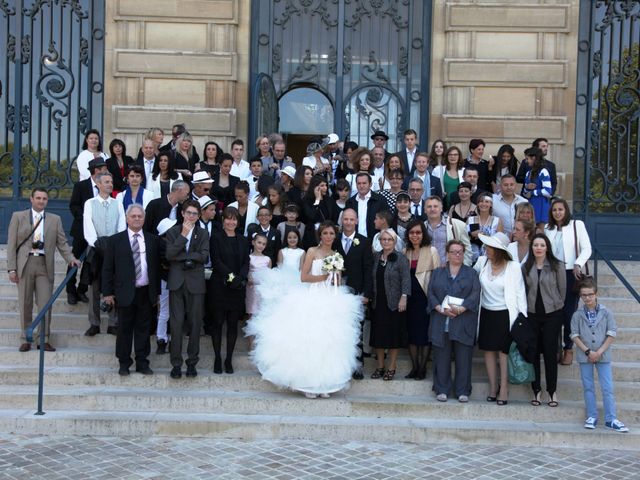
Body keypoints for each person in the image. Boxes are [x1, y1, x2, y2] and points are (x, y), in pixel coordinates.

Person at [247, 221, 362, 398]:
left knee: (328, 342)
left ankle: (324, 384)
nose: (329, 237)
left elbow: (337, 278)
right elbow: (304, 276)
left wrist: (334, 277)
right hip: (312, 295)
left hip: (330, 297)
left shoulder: (335, 255)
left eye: (332, 234)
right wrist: (323, 277)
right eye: (325, 233)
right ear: (320, 235)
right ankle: (308, 383)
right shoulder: (312, 251)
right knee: (311, 340)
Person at [7, 188, 80, 352]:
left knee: (45, 303)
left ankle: (43, 339)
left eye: (44, 198)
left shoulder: (55, 219)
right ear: (31, 199)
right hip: (25, 264)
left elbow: (62, 243)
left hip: (44, 264)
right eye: (38, 198)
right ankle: (26, 337)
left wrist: (71, 259)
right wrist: (11, 269)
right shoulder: (18, 217)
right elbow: (11, 244)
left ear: (47, 201)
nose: (41, 201)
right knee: (25, 303)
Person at [102, 204, 161, 376]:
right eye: (133, 216)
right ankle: (124, 362)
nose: (136, 219)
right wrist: (107, 293)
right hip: (124, 292)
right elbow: (107, 269)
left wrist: (156, 292)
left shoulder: (152, 240)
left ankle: (142, 362)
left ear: (144, 219)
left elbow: (156, 267)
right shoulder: (115, 241)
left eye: (139, 216)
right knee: (124, 330)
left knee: (144, 329)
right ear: (127, 219)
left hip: (146, 291)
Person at [474, 232, 527, 406]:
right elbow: (471, 281)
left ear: (499, 250)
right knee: (488, 351)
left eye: (490, 247)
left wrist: (522, 319)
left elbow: (520, 294)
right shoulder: (482, 262)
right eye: (487, 246)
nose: (487, 250)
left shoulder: (514, 267)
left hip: (505, 314)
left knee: (503, 353)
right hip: (486, 313)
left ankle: (504, 388)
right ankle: (492, 386)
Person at [571, 277, 629, 433]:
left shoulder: (606, 312)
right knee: (588, 386)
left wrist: (599, 352)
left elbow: (611, 333)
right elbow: (574, 335)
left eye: (590, 294)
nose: (587, 298)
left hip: (603, 355)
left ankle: (611, 418)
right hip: (585, 356)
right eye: (584, 295)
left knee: (607, 387)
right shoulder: (577, 315)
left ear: (596, 293)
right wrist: (588, 351)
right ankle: (591, 415)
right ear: (580, 296)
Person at [427, 240, 480, 402]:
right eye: (454, 251)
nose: (457, 254)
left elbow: (475, 294)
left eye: (460, 252)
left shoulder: (471, 273)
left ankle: (462, 390)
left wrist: (461, 309)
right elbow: (430, 293)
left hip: (463, 320)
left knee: (463, 357)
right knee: (441, 357)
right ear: (447, 254)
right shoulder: (437, 272)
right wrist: (439, 308)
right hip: (441, 319)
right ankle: (442, 389)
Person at [544, 197, 592, 366]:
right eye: (554, 210)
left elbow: (587, 248)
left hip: (572, 273)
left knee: (568, 313)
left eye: (560, 209)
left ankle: (568, 348)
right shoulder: (547, 229)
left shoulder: (576, 225)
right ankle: (555, 347)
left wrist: (578, 263)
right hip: (552, 274)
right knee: (553, 313)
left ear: (566, 211)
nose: (557, 212)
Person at [165, 200, 210, 379]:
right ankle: (176, 364)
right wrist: (183, 235)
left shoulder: (203, 233)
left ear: (198, 216)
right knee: (175, 325)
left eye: (195, 214)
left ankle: (192, 363)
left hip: (196, 284)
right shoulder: (173, 232)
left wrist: (182, 257)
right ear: (182, 213)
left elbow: (204, 256)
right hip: (177, 283)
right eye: (188, 213)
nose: (191, 216)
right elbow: (169, 255)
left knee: (195, 324)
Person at [522, 234, 566, 407]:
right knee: (533, 353)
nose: (538, 248)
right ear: (531, 248)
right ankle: (536, 391)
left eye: (542, 245)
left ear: (547, 247)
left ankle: (552, 391)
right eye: (535, 245)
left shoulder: (557, 266)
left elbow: (562, 290)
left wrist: (556, 306)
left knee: (549, 352)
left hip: (552, 314)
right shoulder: (526, 267)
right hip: (532, 314)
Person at [83, 172, 126, 336]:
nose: (109, 184)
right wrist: (96, 243)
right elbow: (88, 225)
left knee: (113, 283)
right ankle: (94, 322)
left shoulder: (118, 203)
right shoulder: (90, 203)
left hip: (114, 250)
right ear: (98, 184)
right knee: (94, 286)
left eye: (111, 181)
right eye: (106, 182)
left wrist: (114, 245)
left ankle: (113, 322)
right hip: (95, 249)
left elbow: (121, 225)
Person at [332, 208, 373, 380]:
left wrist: (367, 294)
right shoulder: (333, 241)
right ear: (342, 221)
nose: (348, 222)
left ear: (356, 221)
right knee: (339, 330)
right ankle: (340, 365)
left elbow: (368, 269)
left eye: (351, 219)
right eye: (345, 219)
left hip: (357, 292)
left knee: (357, 330)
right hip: (337, 293)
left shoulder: (363, 242)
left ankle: (357, 366)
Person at [210, 207, 250, 374]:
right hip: (220, 285)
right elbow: (216, 260)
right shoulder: (216, 238)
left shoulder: (243, 239)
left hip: (237, 288)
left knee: (233, 324)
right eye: (228, 218)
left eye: (234, 219)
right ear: (223, 220)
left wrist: (239, 278)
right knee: (217, 323)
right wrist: (231, 277)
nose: (231, 222)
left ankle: (228, 359)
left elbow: (246, 262)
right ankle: (218, 358)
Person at [370, 228, 411, 381]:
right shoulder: (375, 257)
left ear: (394, 242)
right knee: (379, 336)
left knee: (393, 336)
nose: (386, 242)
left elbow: (406, 279)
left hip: (395, 303)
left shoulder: (401, 258)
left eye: (389, 239)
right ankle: (380, 366)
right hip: (377, 302)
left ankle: (392, 366)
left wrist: (404, 297)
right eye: (383, 239)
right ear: (380, 241)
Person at [67, 157, 108, 305]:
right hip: (81, 231)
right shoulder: (81, 186)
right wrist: (86, 218)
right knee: (74, 259)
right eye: (103, 168)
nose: (105, 171)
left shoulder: (105, 185)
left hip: (99, 232)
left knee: (91, 262)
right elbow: (74, 206)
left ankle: (82, 289)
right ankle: (70, 290)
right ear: (95, 170)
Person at [403, 220, 440, 380]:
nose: (415, 235)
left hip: (425, 299)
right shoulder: (405, 251)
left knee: (424, 335)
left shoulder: (432, 251)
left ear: (423, 234)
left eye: (418, 232)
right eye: (412, 233)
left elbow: (438, 277)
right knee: (411, 334)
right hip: (409, 300)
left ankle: (423, 368)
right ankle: (414, 367)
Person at [424, 195, 472, 266]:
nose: (432, 209)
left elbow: (467, 248)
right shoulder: (422, 227)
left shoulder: (458, 225)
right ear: (425, 210)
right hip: (428, 270)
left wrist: (464, 268)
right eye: (429, 206)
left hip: (450, 270)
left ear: (441, 208)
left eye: (435, 206)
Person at [154, 218, 176, 355]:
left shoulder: (171, 243)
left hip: (173, 280)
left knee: (170, 312)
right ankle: (161, 339)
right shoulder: (162, 246)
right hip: (166, 280)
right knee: (165, 311)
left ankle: (169, 339)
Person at [345, 172, 386, 240]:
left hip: (375, 241)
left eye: (364, 183)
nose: (361, 186)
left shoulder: (380, 200)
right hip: (355, 241)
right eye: (359, 183)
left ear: (370, 184)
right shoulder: (350, 202)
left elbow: (385, 223)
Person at [301, 175, 338, 248]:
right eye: (322, 185)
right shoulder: (306, 200)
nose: (325, 188)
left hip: (327, 235)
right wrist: (317, 200)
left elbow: (333, 218)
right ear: (315, 187)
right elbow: (311, 216)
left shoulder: (329, 200)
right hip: (312, 236)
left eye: (326, 185)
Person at [521, 147, 552, 230]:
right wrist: (527, 188)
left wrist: (533, 192)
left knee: (541, 231)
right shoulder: (528, 173)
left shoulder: (543, 171)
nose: (526, 161)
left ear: (534, 158)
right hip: (531, 204)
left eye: (527, 159)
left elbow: (548, 191)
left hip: (541, 204)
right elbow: (525, 192)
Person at [467, 192, 503, 263]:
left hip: (490, 257)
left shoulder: (497, 221)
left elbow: (500, 242)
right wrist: (471, 234)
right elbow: (464, 238)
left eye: (487, 202)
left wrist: (486, 236)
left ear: (491, 204)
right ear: (477, 204)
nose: (483, 204)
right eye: (481, 201)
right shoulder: (470, 219)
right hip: (471, 257)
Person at [246, 233, 272, 322]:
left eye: (264, 244)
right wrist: (249, 278)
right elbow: (247, 271)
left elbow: (269, 275)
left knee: (262, 312)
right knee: (251, 311)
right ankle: (250, 334)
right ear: (253, 242)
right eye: (259, 242)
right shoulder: (248, 257)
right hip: (252, 288)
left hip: (263, 288)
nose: (261, 245)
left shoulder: (267, 259)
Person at [432, 146, 464, 210]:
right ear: (447, 156)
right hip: (442, 205)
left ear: (459, 157)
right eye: (450, 155)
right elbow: (433, 188)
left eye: (455, 155)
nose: (453, 157)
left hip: (459, 206)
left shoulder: (464, 171)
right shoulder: (437, 170)